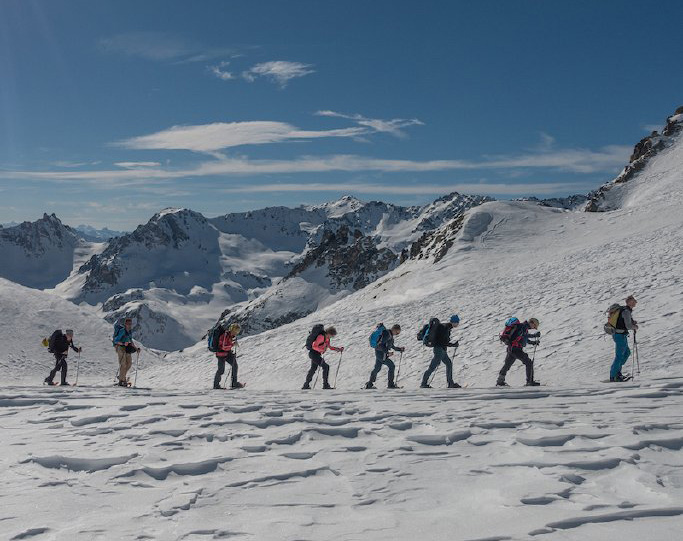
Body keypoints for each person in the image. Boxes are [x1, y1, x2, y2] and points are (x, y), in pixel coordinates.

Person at [497, 317, 541, 387]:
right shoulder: (523, 327)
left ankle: (500, 381)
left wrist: (533, 341)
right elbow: (522, 337)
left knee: (507, 365)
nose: (534, 328)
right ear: (532, 323)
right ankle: (530, 382)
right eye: (534, 326)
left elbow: (524, 337)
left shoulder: (522, 327)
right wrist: (533, 338)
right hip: (516, 349)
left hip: (511, 349)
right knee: (529, 363)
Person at [420, 315, 461, 389]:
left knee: (449, 364)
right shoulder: (445, 328)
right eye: (457, 322)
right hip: (439, 350)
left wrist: (451, 344)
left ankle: (450, 383)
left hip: (441, 350)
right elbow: (442, 342)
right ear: (454, 322)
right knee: (432, 367)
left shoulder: (446, 327)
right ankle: (423, 383)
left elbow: (443, 341)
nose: (458, 324)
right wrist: (453, 345)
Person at [609, 296, 638, 382]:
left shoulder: (625, 310)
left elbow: (625, 323)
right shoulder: (626, 311)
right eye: (633, 301)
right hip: (619, 335)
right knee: (619, 356)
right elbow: (628, 326)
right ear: (629, 302)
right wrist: (635, 327)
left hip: (620, 334)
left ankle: (617, 372)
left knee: (626, 353)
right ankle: (614, 376)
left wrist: (632, 323)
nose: (635, 302)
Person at [366, 324, 404, 389]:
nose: (397, 334)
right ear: (394, 329)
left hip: (379, 353)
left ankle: (369, 384)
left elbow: (392, 346)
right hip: (381, 354)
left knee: (377, 368)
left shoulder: (390, 335)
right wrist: (387, 352)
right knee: (392, 366)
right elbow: (381, 345)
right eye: (397, 332)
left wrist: (399, 349)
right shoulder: (387, 334)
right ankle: (390, 385)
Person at [214, 323, 244, 389]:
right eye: (235, 331)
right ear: (231, 329)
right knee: (221, 370)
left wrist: (232, 345)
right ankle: (216, 385)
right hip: (221, 354)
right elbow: (224, 346)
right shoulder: (225, 335)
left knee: (235, 366)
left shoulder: (230, 336)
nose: (236, 333)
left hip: (227, 353)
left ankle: (234, 383)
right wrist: (233, 345)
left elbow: (227, 345)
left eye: (237, 331)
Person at [113, 318, 140, 387]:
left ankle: (121, 376)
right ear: (125, 324)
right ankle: (122, 381)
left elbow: (131, 340)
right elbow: (116, 341)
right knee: (123, 364)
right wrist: (123, 343)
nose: (129, 325)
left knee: (129, 363)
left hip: (127, 348)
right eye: (128, 324)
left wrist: (136, 348)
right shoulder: (122, 331)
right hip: (120, 347)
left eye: (130, 324)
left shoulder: (129, 331)